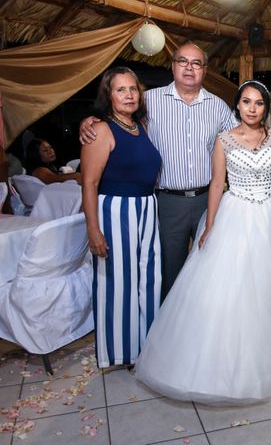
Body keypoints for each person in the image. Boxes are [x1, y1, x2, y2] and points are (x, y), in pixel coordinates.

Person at [135, 81, 271, 403]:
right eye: (246, 102)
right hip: (236, 214)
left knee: (268, 289)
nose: (252, 108)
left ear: (266, 108)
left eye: (258, 103)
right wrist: (210, 225)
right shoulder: (224, 140)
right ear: (237, 106)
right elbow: (217, 184)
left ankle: (267, 359)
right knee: (229, 288)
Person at [80, 42, 236, 299]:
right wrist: (89, 122)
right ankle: (170, 330)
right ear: (173, 66)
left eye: (196, 63)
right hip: (167, 202)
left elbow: (240, 138)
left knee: (210, 265)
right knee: (168, 269)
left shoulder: (218, 106)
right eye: (182, 61)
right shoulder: (148, 101)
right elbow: (117, 123)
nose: (189, 67)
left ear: (204, 70)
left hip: (208, 200)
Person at [81, 66, 162, 369]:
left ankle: (146, 348)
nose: (129, 95)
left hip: (146, 209)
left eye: (133, 89)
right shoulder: (101, 129)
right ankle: (120, 352)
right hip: (116, 210)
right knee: (118, 284)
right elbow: (88, 183)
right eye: (120, 90)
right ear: (108, 95)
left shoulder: (139, 126)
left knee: (147, 280)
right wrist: (93, 230)